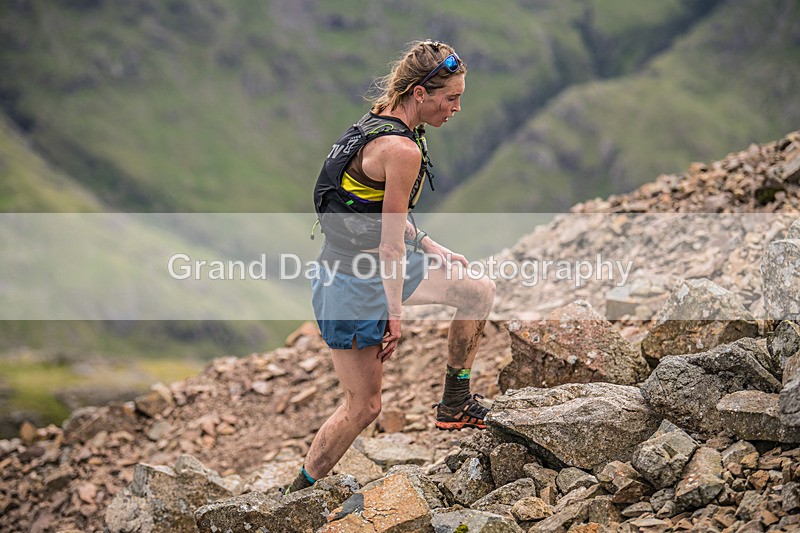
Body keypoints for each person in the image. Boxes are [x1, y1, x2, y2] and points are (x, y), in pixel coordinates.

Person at [286, 40, 496, 494]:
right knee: (364, 406)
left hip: (369, 264)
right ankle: (295, 495)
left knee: (477, 291)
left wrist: (430, 245)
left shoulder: (382, 122)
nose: (457, 108)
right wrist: (394, 314)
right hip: (349, 281)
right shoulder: (401, 149)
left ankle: (455, 401)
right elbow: (388, 247)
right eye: (451, 98)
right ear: (420, 93)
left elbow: (376, 213)